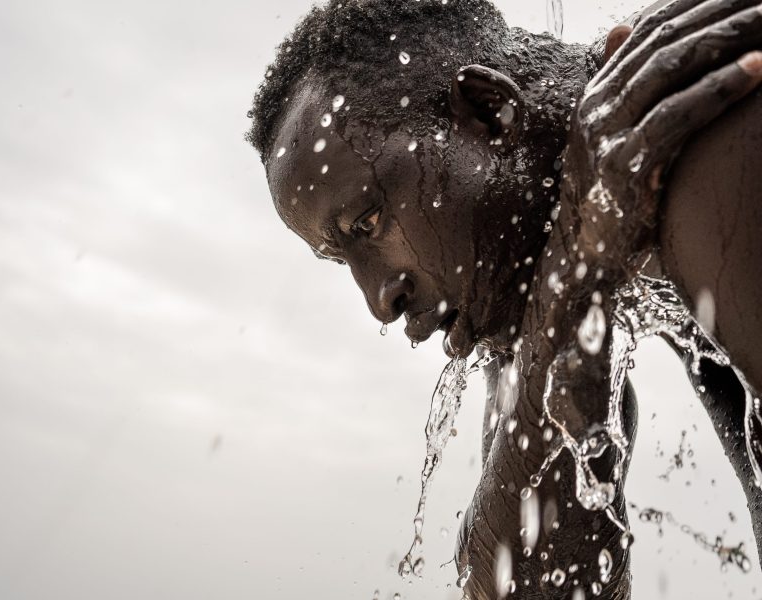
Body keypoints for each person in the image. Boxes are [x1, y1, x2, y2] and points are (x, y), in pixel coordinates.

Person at [247, 0, 762, 597]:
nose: (379, 302)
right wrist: (572, 274)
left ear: (488, 114)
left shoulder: (717, 135)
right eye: (341, 261)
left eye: (368, 221)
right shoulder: (545, 279)